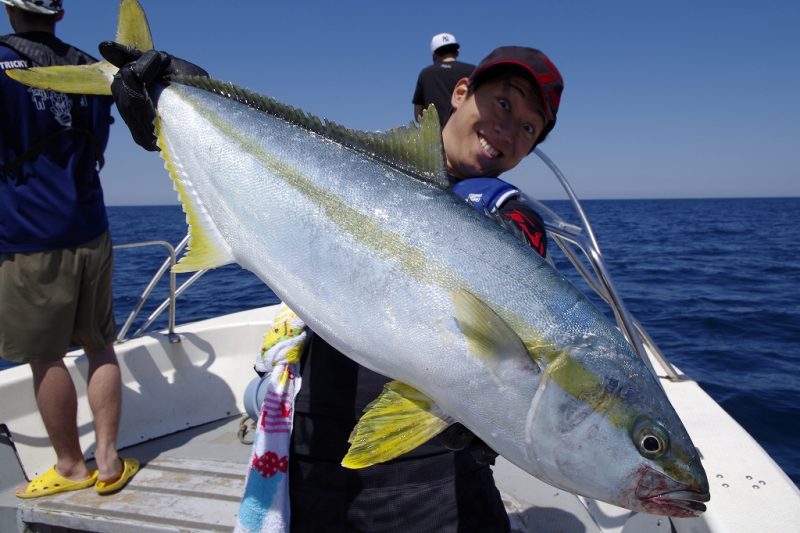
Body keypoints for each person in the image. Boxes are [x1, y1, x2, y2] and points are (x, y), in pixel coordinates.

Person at [106, 43, 563, 532]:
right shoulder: (358, 171)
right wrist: (177, 111)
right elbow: (269, 169)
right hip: (312, 452)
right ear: (461, 91)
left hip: (433, 475)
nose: (508, 129)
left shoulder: (512, 220)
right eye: (504, 104)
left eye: (529, 128)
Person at [0, 0, 139, 498]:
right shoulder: (89, 66)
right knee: (100, 344)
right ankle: (108, 461)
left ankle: (70, 465)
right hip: (92, 226)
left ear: (10, 10)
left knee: (45, 357)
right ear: (59, 14)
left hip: (29, 235)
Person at [412, 32, 475, 127]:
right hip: (465, 133)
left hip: (437, 137)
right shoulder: (472, 70)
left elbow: (418, 115)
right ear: (457, 51)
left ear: (434, 54)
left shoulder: (426, 74)